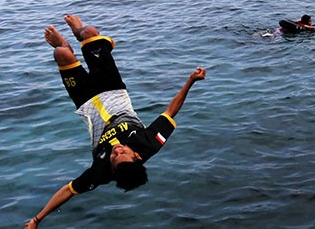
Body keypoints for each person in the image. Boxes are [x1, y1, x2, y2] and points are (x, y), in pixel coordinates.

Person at [24, 15, 205, 228]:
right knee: (89, 32)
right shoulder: (150, 143)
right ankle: (78, 32)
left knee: (61, 54)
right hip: (113, 90)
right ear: (136, 155)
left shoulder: (100, 173)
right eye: (123, 153)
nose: (116, 150)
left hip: (87, 103)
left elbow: (68, 191)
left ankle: (64, 45)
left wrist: (37, 219)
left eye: (114, 157)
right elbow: (170, 112)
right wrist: (191, 81)